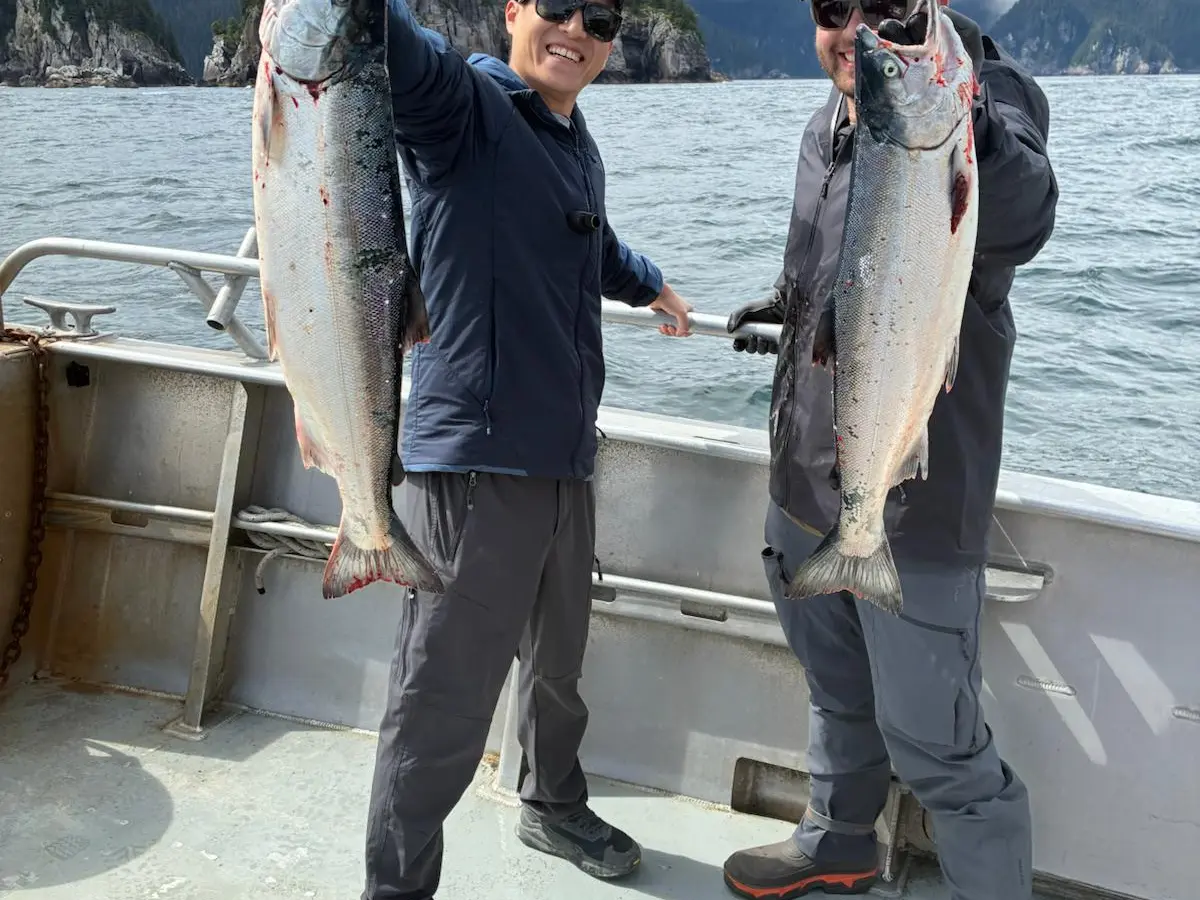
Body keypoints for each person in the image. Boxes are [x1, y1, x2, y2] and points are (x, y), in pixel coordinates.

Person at [721, 1, 1057, 898]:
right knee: (837, 694)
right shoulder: (824, 122)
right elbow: (852, 271)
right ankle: (838, 839)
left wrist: (960, 102)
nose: (859, 31)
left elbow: (1023, 216)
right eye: (836, 11)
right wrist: (788, 306)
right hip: (804, 486)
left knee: (939, 749)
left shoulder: (983, 97)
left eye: (888, 9)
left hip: (916, 508)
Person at [359, 0, 694, 898]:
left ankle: (551, 802)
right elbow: (388, 48)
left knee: (558, 665)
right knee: (440, 703)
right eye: (556, 6)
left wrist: (647, 282)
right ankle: (395, 888)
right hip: (474, 467)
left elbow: (579, 237)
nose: (576, 28)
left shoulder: (569, 136)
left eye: (602, 17)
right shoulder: (463, 110)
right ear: (512, 11)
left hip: (561, 459)